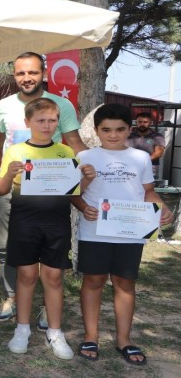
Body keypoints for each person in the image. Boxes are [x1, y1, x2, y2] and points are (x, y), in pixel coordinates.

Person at [72, 104, 172, 366]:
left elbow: (148, 191)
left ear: (129, 129)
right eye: (106, 130)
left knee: (125, 283)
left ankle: (124, 340)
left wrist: (161, 207)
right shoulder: (85, 156)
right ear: (97, 131)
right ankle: (91, 336)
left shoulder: (140, 157)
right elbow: (74, 193)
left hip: (131, 231)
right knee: (93, 280)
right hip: (94, 231)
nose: (113, 135)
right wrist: (83, 207)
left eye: (119, 129)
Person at [0, 51, 87, 326]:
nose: (27, 78)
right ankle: (11, 297)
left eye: (32, 72)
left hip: (51, 192)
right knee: (6, 247)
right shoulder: (3, 105)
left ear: (44, 74)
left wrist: (101, 165)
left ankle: (48, 305)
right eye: (21, 73)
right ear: (14, 75)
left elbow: (74, 143)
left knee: (51, 252)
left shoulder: (62, 105)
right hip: (14, 189)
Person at [0, 97, 91, 360]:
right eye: (40, 120)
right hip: (24, 222)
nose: (47, 125)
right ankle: (22, 329)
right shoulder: (15, 151)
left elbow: (72, 192)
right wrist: (8, 174)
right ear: (27, 122)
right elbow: (1, 189)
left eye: (52, 120)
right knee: (26, 276)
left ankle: (55, 332)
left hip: (56, 223)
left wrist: (86, 180)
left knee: (54, 277)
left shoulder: (65, 152)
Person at [127, 112, 166, 179]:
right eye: (140, 122)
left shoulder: (157, 136)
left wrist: (144, 161)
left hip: (151, 167)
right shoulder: (129, 136)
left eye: (145, 122)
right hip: (131, 166)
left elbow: (159, 153)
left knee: (148, 185)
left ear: (150, 123)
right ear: (136, 122)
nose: (142, 124)